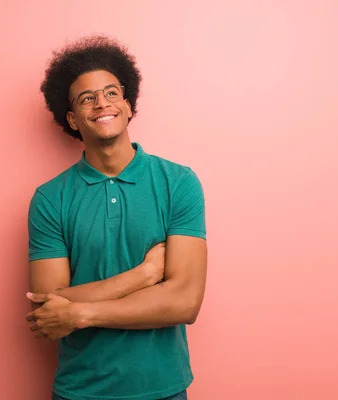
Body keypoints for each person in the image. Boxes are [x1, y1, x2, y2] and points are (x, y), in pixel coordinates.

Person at [25, 35, 207, 400]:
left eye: (111, 93)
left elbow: (185, 303)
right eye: (86, 98)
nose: (101, 103)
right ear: (73, 119)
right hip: (80, 391)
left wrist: (80, 313)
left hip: (163, 390)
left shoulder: (179, 182)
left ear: (127, 104)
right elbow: (48, 306)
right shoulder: (50, 199)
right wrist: (147, 274)